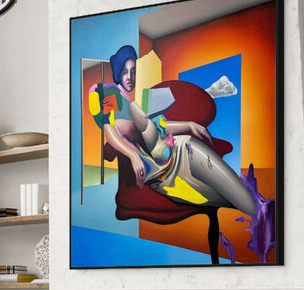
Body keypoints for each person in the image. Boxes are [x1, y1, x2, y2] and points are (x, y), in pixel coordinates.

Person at [91, 44, 262, 218]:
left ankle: (261, 211)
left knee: (244, 199)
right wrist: (133, 155)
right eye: (125, 71)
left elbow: (161, 125)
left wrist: (189, 125)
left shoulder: (139, 102)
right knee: (229, 201)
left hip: (178, 148)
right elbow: (109, 130)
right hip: (162, 173)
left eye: (133, 71)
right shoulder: (107, 93)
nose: (130, 77)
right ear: (117, 72)